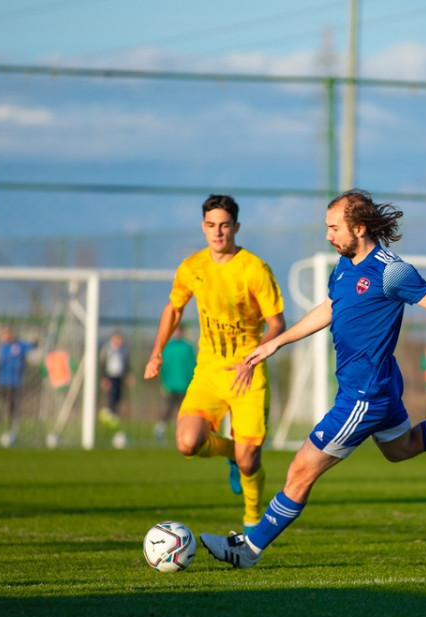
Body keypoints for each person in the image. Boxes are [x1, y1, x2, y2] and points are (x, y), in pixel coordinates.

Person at [199, 188, 426, 569]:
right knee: (402, 448)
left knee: (300, 470)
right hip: (381, 386)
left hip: (365, 395)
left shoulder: (392, 271)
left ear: (358, 228)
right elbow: (329, 308)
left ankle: (248, 549)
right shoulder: (344, 264)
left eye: (333, 228)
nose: (328, 236)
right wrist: (275, 343)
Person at [143, 194, 286, 534]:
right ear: (203, 228)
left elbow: (277, 324)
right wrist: (156, 351)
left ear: (236, 227)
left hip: (247, 373)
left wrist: (253, 358)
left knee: (251, 460)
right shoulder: (192, 267)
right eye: (211, 226)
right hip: (208, 371)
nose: (218, 233)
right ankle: (231, 454)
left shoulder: (254, 269)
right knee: (187, 443)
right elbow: (174, 308)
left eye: (224, 226)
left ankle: (252, 521)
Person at [0, 326, 36, 445]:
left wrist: (36, 338)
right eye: (3, 335)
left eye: (6, 334)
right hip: (1, 381)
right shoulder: (1, 347)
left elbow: (33, 345)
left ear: (11, 334)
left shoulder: (19, 345)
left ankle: (13, 431)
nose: (4, 337)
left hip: (15, 382)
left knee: (12, 407)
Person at [154, 326, 196, 443]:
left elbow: (192, 366)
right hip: (173, 384)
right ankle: (161, 430)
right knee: (171, 408)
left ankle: (182, 433)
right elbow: (164, 366)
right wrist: (164, 381)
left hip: (183, 384)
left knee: (182, 410)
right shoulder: (169, 347)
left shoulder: (187, 347)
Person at [99, 331, 130, 425]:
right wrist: (104, 378)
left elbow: (125, 364)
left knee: (118, 396)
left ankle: (113, 414)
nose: (120, 341)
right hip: (109, 376)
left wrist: (128, 375)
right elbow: (102, 364)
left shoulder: (123, 350)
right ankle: (109, 414)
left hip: (119, 376)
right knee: (111, 395)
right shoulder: (107, 349)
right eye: (118, 339)